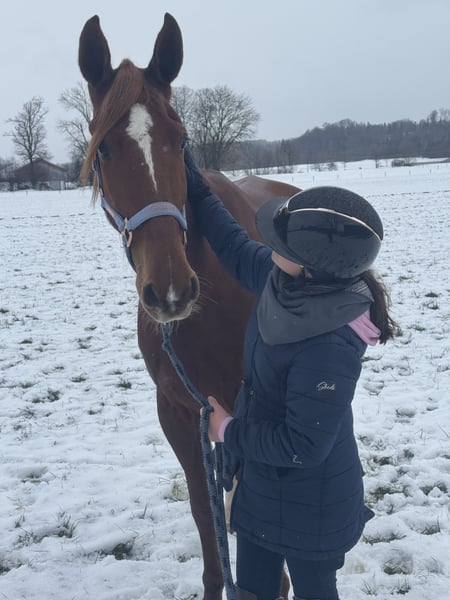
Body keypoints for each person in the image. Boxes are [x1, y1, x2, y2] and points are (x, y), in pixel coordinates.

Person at [184, 149, 397, 600]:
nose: (267, 245)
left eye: (280, 243)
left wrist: (227, 430)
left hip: (313, 510)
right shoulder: (283, 281)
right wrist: (196, 184)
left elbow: (303, 446)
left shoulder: (330, 347)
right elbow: (232, 244)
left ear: (310, 265)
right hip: (262, 488)